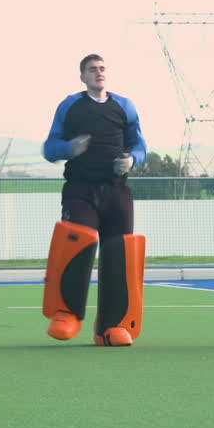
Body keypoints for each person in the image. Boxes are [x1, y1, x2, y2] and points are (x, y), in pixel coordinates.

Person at [41, 54, 148, 346]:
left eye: (102, 69)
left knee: (119, 254)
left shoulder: (125, 106)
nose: (98, 73)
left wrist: (132, 160)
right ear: (82, 77)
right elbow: (49, 148)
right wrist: (69, 148)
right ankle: (66, 314)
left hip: (116, 190)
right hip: (80, 189)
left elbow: (139, 144)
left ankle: (112, 326)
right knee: (77, 242)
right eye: (92, 70)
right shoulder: (69, 106)